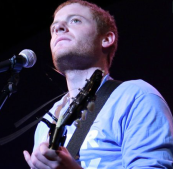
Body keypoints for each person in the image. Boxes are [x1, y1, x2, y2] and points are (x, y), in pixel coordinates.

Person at [23, 0, 173, 168]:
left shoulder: (135, 96)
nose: (58, 28)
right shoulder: (47, 123)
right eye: (53, 28)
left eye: (75, 20)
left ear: (106, 38)